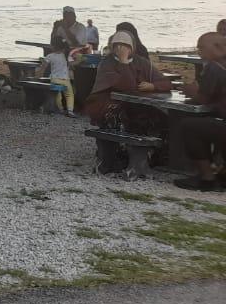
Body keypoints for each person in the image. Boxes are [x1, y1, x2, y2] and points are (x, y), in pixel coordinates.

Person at [84, 31, 173, 171]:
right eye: (117, 45)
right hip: (108, 104)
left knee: (161, 118)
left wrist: (153, 86)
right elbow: (127, 86)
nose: (121, 48)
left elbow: (167, 83)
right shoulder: (107, 64)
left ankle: (156, 156)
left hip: (137, 104)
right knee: (117, 118)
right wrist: (124, 61)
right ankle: (116, 157)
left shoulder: (142, 62)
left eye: (125, 45)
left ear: (132, 46)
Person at [174, 32, 226, 192]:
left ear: (217, 47)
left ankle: (206, 176)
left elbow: (202, 99)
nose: (199, 52)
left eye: (202, 48)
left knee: (189, 126)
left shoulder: (214, 67)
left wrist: (191, 92)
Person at [39, 38, 76, 116]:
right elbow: (73, 65)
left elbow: (43, 67)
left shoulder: (50, 56)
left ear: (53, 47)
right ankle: (70, 111)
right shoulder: (66, 56)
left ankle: (60, 109)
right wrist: (80, 60)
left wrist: (40, 75)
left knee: (57, 95)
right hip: (65, 80)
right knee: (69, 94)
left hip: (55, 79)